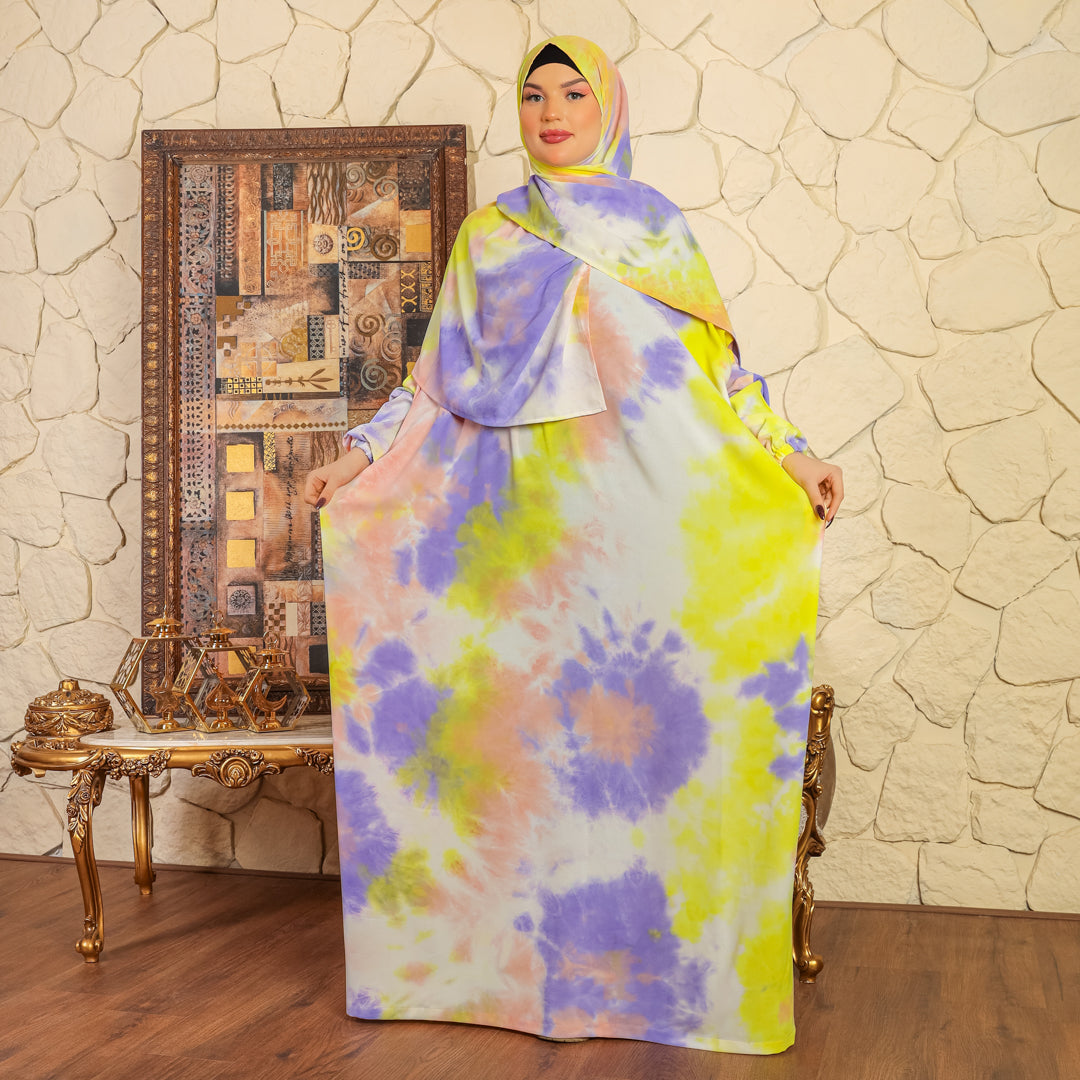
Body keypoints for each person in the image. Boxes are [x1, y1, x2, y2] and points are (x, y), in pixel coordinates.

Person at [305, 35, 842, 1055]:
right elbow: (430, 387)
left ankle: (645, 982)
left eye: (574, 92)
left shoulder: (657, 229)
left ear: (610, 107)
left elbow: (723, 380)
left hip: (639, 533)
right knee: (520, 752)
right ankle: (500, 973)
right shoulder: (489, 236)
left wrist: (794, 455)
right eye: (534, 95)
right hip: (512, 543)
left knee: (633, 755)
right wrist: (358, 459)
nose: (552, 112)